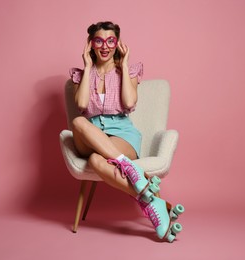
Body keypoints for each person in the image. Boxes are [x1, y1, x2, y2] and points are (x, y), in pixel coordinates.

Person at [69, 21, 183, 242]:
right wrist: (87, 67)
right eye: (99, 41)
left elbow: (130, 103)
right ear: (90, 44)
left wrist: (124, 64)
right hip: (90, 134)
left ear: (118, 44)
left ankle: (153, 205)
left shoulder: (128, 71)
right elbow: (82, 104)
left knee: (95, 160)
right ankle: (131, 171)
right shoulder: (82, 73)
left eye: (110, 41)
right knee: (78, 122)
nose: (105, 46)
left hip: (122, 134)